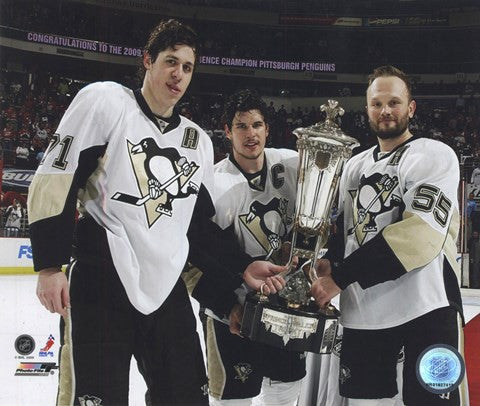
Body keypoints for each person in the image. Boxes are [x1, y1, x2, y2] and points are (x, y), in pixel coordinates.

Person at [28, 19, 286, 406]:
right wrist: (49, 267)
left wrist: (239, 269)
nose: (179, 74)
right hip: (102, 280)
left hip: (167, 291)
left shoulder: (195, 140)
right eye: (171, 61)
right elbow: (55, 177)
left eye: (187, 67)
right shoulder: (107, 103)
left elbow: (195, 230)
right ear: (147, 60)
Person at [311, 65, 467, 405]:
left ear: (410, 108)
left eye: (394, 102)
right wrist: (326, 261)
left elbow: (417, 236)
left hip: (426, 308)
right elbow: (346, 230)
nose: (385, 110)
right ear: (366, 109)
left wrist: (341, 275)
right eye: (377, 103)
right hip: (364, 312)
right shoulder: (354, 165)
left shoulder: (433, 155)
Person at [184, 89, 305, 405]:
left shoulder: (293, 165)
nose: (250, 134)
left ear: (267, 129)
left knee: (286, 392)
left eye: (256, 125)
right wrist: (226, 305)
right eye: (241, 126)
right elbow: (189, 259)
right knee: (235, 399)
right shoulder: (211, 185)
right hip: (232, 312)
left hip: (286, 308)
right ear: (227, 131)